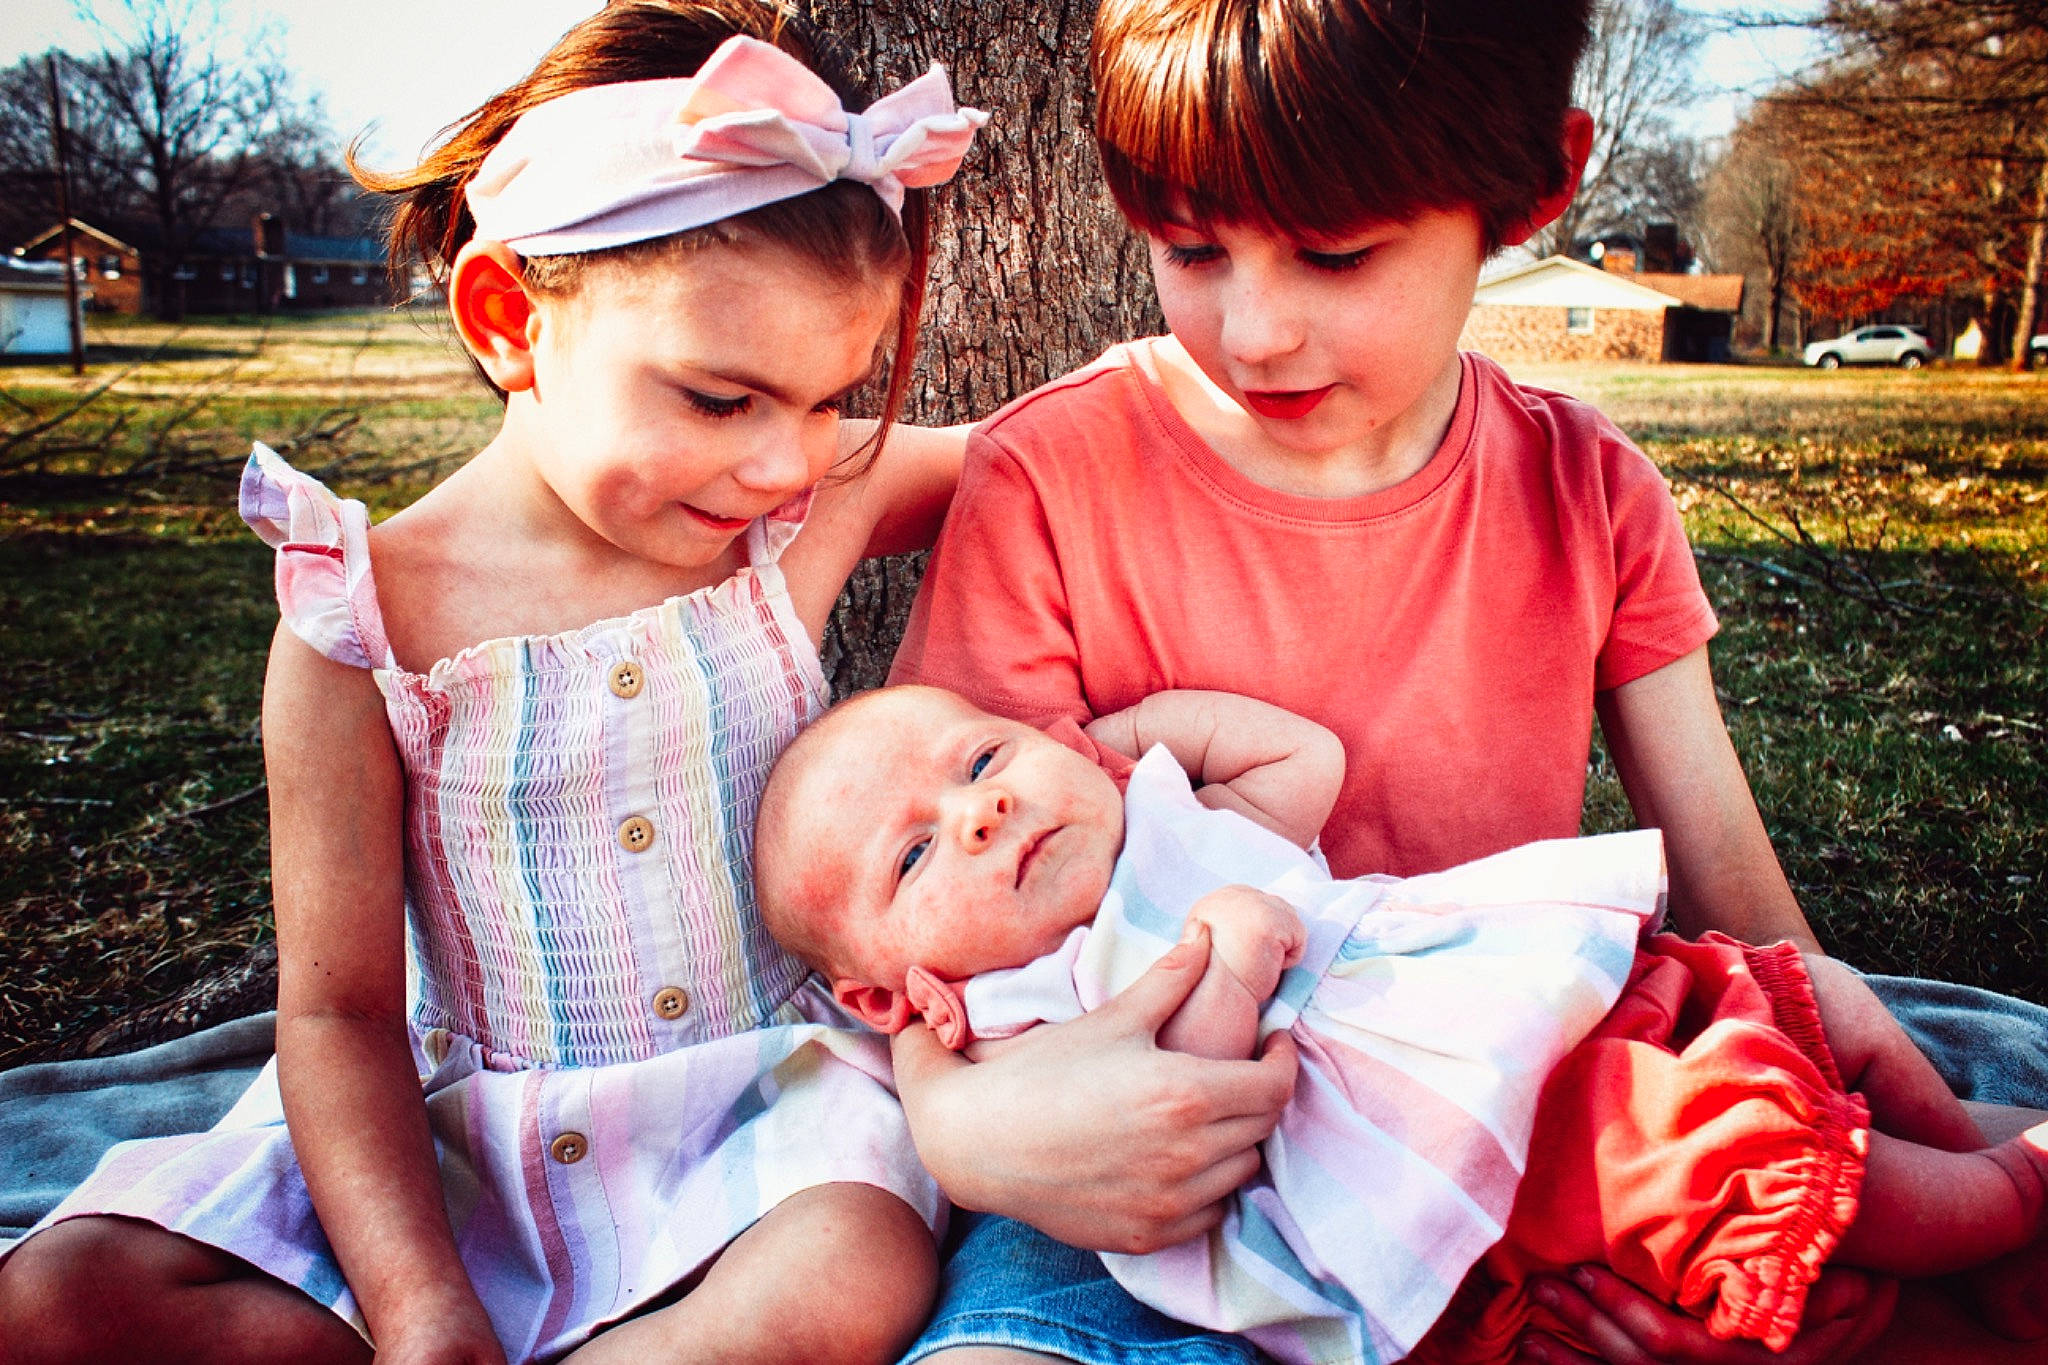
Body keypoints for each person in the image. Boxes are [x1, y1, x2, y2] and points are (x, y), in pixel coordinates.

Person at [875, 1, 2048, 1362]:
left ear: (1533, 186)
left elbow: (1738, 897)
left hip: (1529, 1122)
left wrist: (1747, 1244)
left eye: (1335, 254)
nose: (1252, 330)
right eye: (1193, 249)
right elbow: (921, 926)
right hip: (1158, 1181)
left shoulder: (1585, 488)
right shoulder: (1055, 479)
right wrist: (963, 1129)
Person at [0, 5, 988, 1362]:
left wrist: (1193, 384)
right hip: (456, 1144)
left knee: (851, 1274)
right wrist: (417, 1299)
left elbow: (1031, 450)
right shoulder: (362, 620)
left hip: (749, 1127)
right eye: (719, 398)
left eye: (829, 400)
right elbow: (336, 1008)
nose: (786, 464)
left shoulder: (789, 533)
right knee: (56, 1301)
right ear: (508, 319)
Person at [754, 683, 2048, 1364]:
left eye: (982, 761)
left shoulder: (1158, 822)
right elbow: (1186, 1128)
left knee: (1801, 1008)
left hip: (1525, 1000)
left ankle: (1961, 1148)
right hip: (1436, 1147)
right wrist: (1229, 973)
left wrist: (1130, 738)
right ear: (887, 993)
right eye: (917, 853)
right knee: (1700, 1150)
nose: (978, 811)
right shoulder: (1013, 1018)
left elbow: (1302, 762)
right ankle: (2002, 1194)